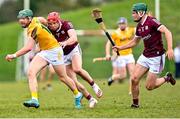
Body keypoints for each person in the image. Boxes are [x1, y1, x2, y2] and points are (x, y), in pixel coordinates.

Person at [5, 9, 83, 109]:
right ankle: (34, 99)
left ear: (29, 18)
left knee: (63, 77)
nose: (21, 21)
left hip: (55, 51)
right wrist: (46, 26)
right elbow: (42, 19)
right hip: (45, 52)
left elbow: (28, 48)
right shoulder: (36, 19)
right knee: (31, 72)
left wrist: (14, 55)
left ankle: (77, 95)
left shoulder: (33, 28)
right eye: (20, 19)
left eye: (23, 19)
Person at [112, 3, 176, 108]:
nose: (132, 15)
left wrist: (169, 48)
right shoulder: (139, 26)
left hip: (156, 57)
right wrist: (120, 47)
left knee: (149, 86)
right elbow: (134, 42)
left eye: (134, 13)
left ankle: (166, 78)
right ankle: (135, 104)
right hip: (145, 56)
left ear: (141, 13)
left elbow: (167, 32)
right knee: (134, 79)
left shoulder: (152, 21)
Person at [47, 12, 101, 107]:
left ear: (58, 21)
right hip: (63, 55)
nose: (52, 26)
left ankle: (94, 86)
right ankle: (91, 99)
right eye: (50, 24)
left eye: (54, 23)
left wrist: (65, 43)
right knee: (73, 82)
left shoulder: (66, 24)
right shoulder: (48, 29)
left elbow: (74, 38)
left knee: (77, 69)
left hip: (73, 49)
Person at [105, 17, 135, 95]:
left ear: (126, 24)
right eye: (120, 24)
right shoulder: (116, 33)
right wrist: (108, 54)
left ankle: (131, 91)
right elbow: (108, 43)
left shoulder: (131, 30)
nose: (121, 25)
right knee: (123, 76)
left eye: (123, 24)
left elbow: (140, 29)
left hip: (129, 55)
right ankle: (113, 77)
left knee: (133, 74)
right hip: (120, 56)